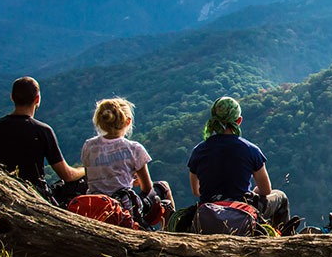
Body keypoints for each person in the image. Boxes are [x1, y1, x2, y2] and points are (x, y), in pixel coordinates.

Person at [187, 96, 290, 227]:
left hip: (208, 210)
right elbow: (265, 190)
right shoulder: (250, 150)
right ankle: (281, 239)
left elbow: (196, 191)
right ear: (239, 120)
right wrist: (250, 193)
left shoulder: (198, 151)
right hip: (242, 209)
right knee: (280, 197)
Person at [0, 76, 84, 196]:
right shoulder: (42, 130)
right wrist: (85, 170)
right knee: (81, 183)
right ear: (37, 99)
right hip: (36, 194)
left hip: (1, 192)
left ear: (12, 98)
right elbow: (67, 175)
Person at [81, 97, 174, 228]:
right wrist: (132, 182)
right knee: (163, 187)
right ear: (128, 121)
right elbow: (147, 188)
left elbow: (90, 179)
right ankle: (171, 230)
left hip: (95, 208)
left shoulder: (88, 146)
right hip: (124, 209)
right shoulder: (134, 148)